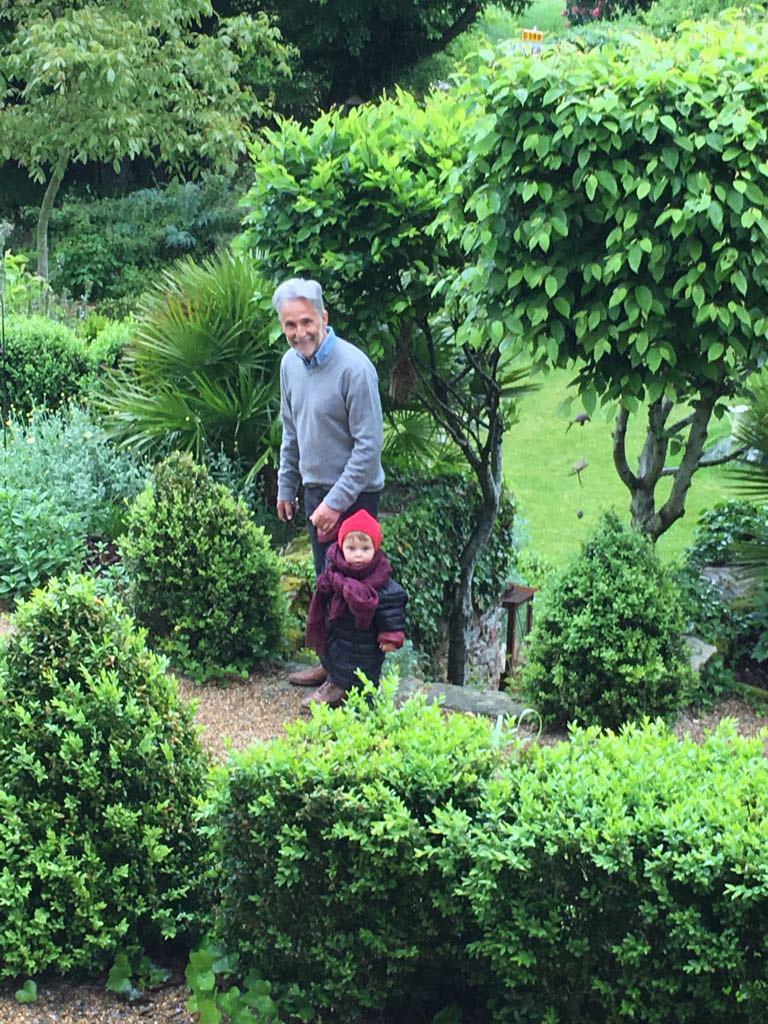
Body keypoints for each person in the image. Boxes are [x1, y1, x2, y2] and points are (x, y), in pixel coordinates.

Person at [272, 277, 385, 687]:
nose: (299, 332)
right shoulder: (289, 365)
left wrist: (336, 503)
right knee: (326, 587)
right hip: (317, 493)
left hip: (355, 499)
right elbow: (291, 430)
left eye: (306, 322)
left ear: (324, 317)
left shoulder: (355, 369)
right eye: (290, 325)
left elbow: (369, 448)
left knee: (353, 594)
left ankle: (348, 682)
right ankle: (330, 664)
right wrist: (288, 485)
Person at [303, 510, 407, 708]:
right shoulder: (334, 572)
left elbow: (392, 607)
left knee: (364, 679)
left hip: (366, 643)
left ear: (375, 549)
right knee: (337, 663)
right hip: (339, 634)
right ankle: (336, 688)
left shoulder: (380, 579)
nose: (358, 554)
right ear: (342, 547)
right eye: (351, 548)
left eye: (365, 548)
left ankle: (364, 708)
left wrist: (390, 635)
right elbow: (323, 594)